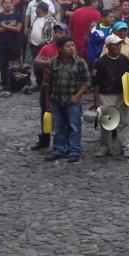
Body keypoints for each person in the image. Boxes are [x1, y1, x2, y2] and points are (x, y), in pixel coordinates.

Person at [45, 37, 91, 163]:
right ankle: (59, 150)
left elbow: (87, 81)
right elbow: (48, 83)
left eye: (72, 45)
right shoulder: (54, 62)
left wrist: (77, 96)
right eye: (68, 46)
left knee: (74, 127)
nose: (72, 48)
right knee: (59, 126)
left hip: (72, 101)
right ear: (60, 49)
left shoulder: (80, 62)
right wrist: (48, 101)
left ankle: (74, 151)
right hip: (56, 99)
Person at [92, 34, 129, 159]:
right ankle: (105, 146)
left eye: (119, 44)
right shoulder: (100, 62)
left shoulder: (125, 60)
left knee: (124, 122)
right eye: (115, 44)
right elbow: (96, 82)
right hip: (106, 95)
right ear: (108, 46)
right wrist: (97, 99)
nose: (118, 46)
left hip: (122, 94)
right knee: (106, 122)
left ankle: (125, 147)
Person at [31, 23, 67, 151]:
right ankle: (45, 139)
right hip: (47, 86)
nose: (57, 34)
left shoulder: (69, 47)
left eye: (60, 32)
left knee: (64, 115)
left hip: (64, 86)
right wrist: (50, 62)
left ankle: (64, 142)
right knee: (45, 113)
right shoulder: (47, 48)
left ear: (66, 34)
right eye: (56, 32)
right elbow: (36, 61)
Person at [0, 0, 22, 91]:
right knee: (3, 64)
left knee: (16, 63)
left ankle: (17, 83)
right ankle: (4, 83)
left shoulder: (17, 15)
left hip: (15, 43)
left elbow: (18, 29)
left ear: (12, 4)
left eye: (9, 2)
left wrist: (4, 25)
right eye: (5, 2)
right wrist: (11, 25)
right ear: (2, 4)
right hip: (2, 43)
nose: (7, 4)